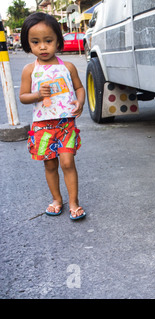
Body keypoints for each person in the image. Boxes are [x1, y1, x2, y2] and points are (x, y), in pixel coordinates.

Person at [19, 12, 86, 220]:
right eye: (35, 42)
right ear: (28, 44)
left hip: (66, 123)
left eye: (48, 41)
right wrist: (37, 95)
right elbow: (22, 96)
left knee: (67, 162)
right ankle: (57, 199)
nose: (42, 47)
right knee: (49, 164)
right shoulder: (29, 70)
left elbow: (79, 88)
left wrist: (80, 101)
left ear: (58, 41)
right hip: (42, 126)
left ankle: (74, 202)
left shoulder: (68, 67)